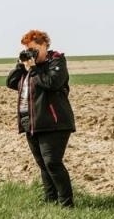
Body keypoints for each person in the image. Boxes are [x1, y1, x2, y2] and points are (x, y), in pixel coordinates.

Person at [6, 29, 76, 207]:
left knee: (52, 162)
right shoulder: (28, 68)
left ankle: (66, 204)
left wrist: (35, 69)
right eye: (28, 49)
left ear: (44, 45)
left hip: (54, 122)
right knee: (43, 165)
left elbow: (52, 83)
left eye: (34, 48)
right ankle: (50, 200)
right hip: (32, 122)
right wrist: (21, 65)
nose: (32, 52)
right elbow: (11, 83)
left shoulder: (56, 61)